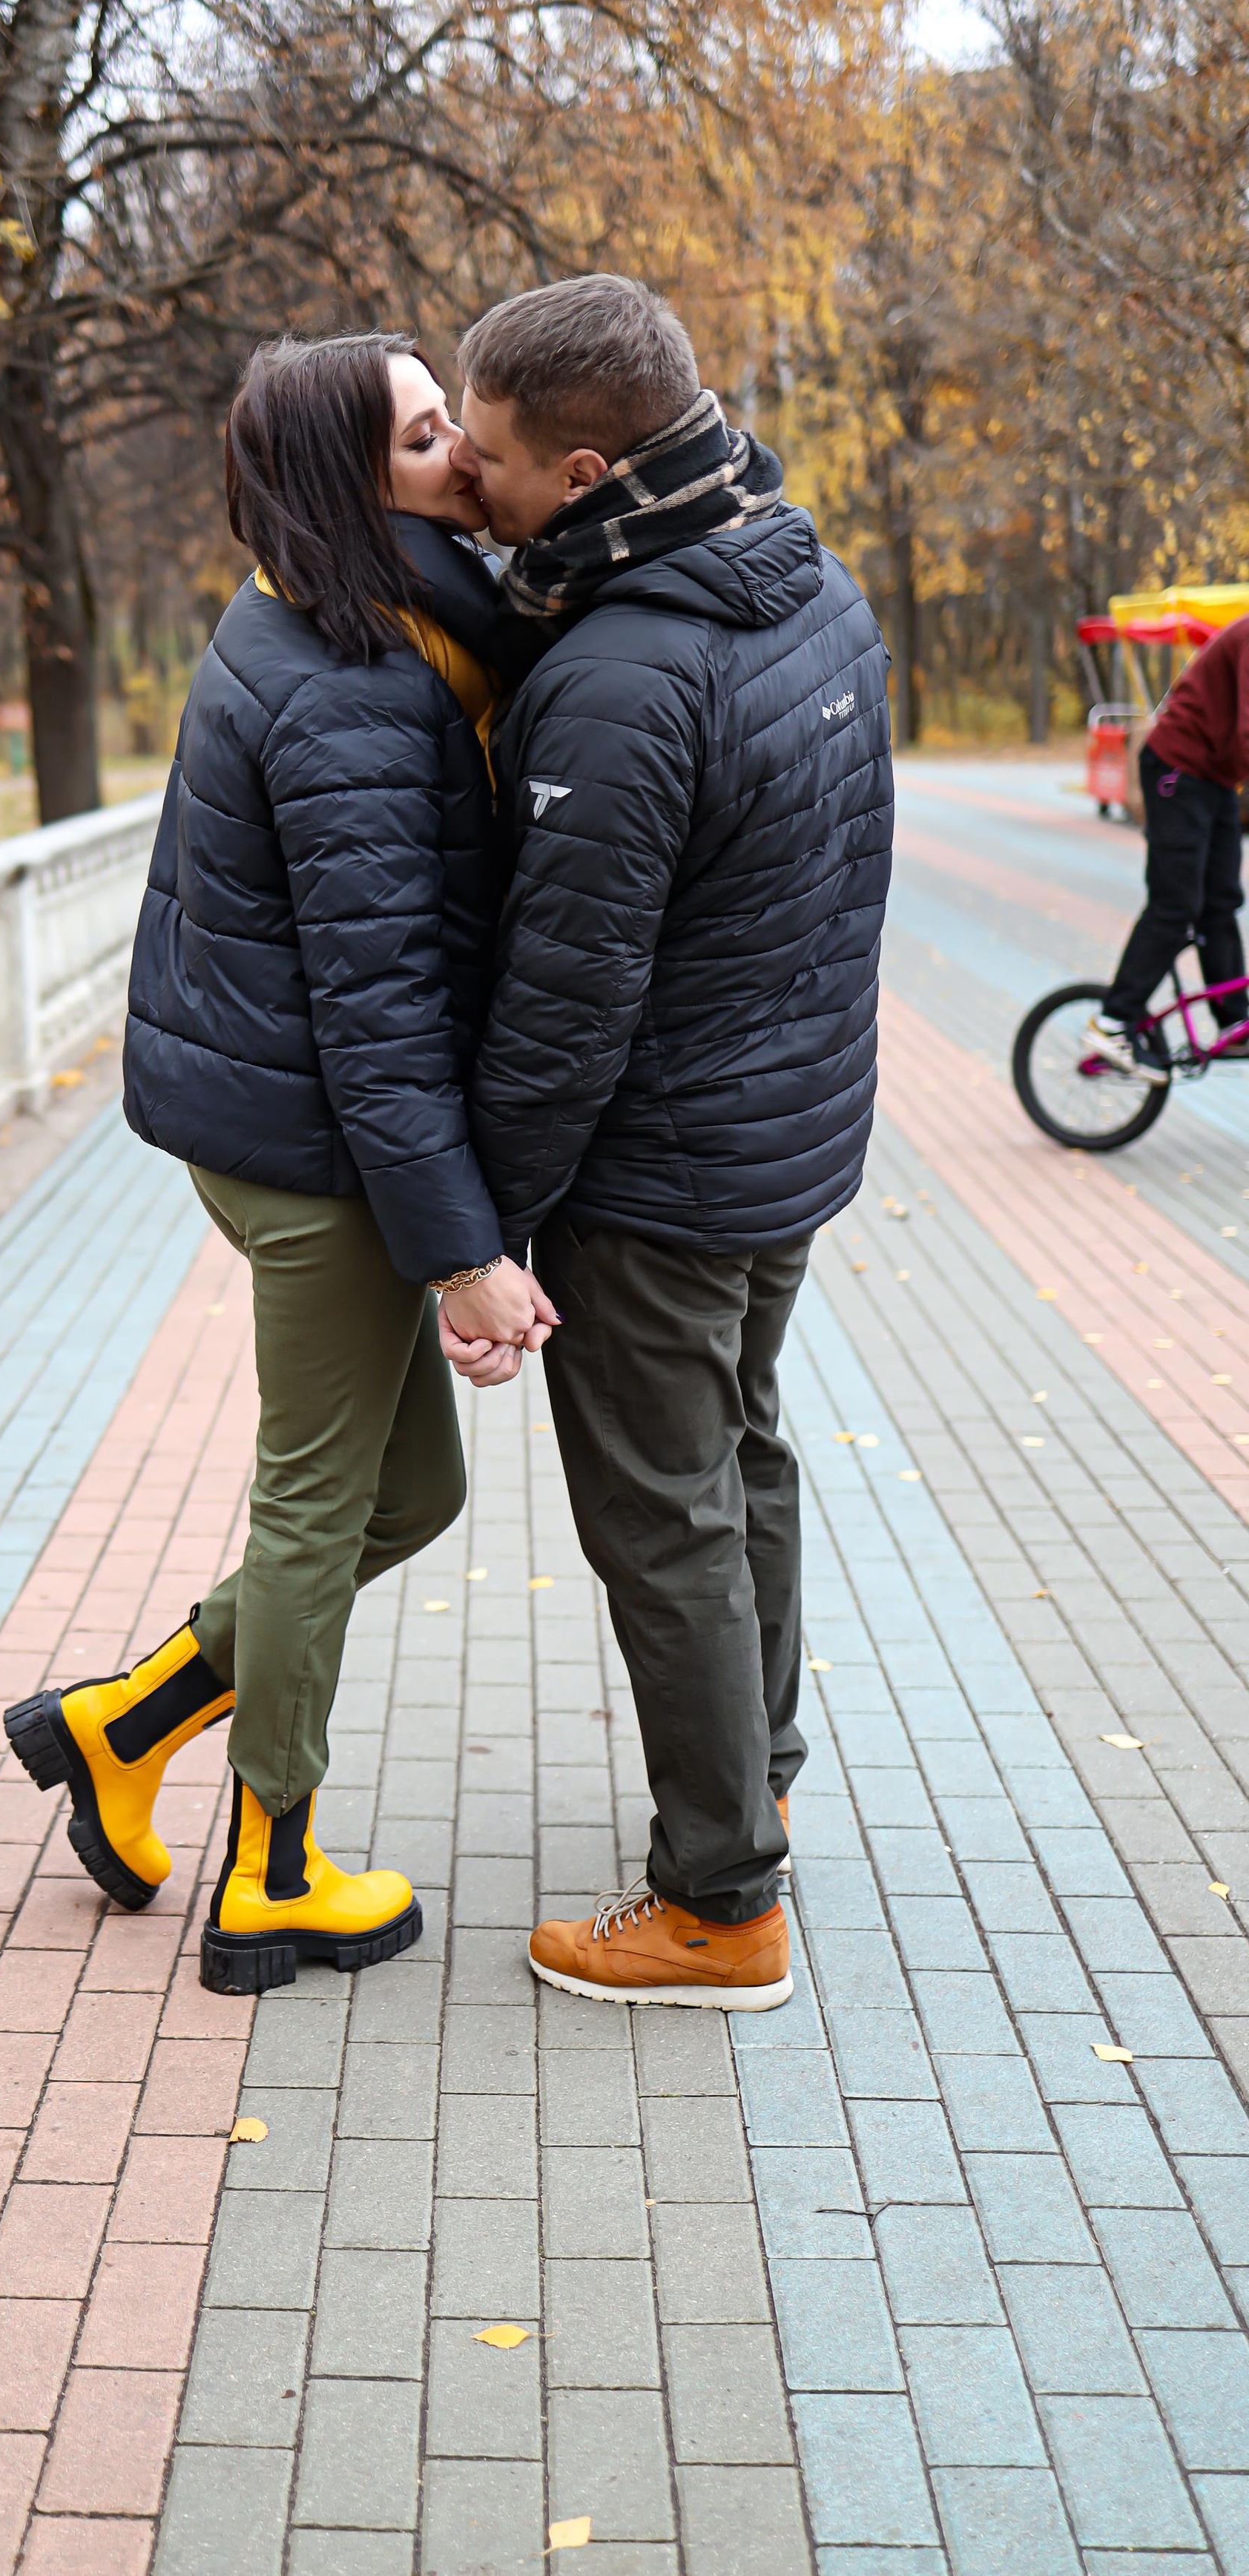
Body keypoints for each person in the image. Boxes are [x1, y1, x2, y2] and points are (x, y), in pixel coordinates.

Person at [5, 330, 557, 1995]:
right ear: (347, 484)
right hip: (321, 1152)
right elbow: (377, 1018)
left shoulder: (365, 622)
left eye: (448, 420)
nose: (462, 450)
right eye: (420, 438)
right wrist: (465, 1251)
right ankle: (274, 1870)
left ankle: (126, 1722)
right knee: (319, 1505)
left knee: (411, 1490)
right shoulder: (353, 696)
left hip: (293, 1129)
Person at [441, 271, 892, 2014]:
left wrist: (480, 1226)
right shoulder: (801, 574)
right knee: (743, 1454)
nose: (467, 480)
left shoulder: (622, 673)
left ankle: (716, 1899)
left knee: (660, 1517)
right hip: (781, 1131)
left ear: (577, 462)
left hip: (660, 1174)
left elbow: (561, 1009)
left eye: (484, 453)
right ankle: (752, 1772)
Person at [1089, 618, 1249, 1080]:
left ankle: (1233, 1020)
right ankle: (1114, 1021)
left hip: (1215, 777)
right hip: (1177, 768)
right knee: (1176, 904)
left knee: (1220, 902)